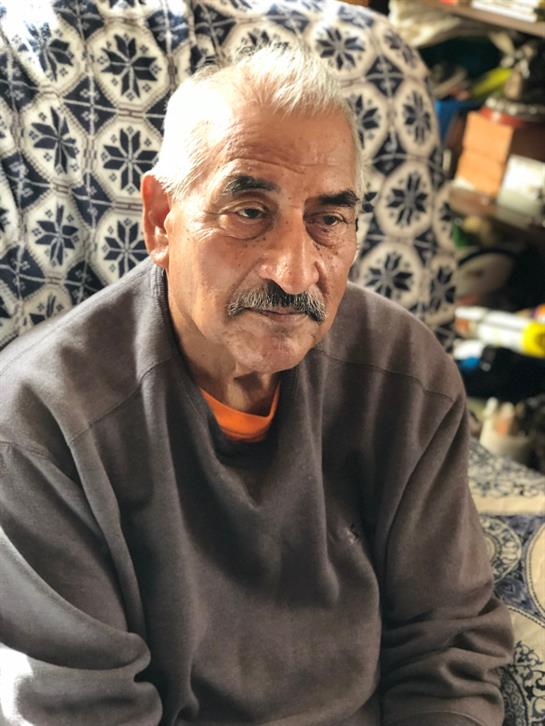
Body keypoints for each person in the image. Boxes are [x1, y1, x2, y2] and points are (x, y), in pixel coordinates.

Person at [0, 45, 512, 726]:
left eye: (328, 220)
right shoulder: (41, 422)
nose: (294, 272)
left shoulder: (407, 375)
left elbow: (448, 645)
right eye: (248, 212)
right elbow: (86, 710)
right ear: (160, 219)